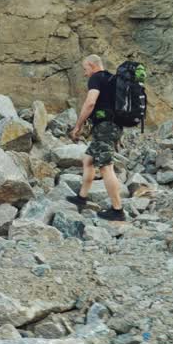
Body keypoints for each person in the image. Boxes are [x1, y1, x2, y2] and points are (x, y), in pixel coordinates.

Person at [70, 54, 125, 221]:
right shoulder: (113, 79)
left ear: (92, 65)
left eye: (85, 69)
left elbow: (90, 103)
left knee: (106, 167)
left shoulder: (96, 78)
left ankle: (117, 210)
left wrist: (78, 125)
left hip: (105, 127)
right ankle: (82, 197)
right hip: (112, 126)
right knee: (88, 159)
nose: (85, 73)